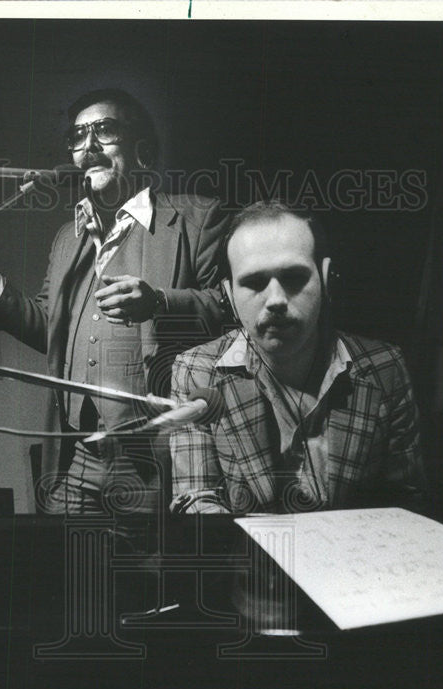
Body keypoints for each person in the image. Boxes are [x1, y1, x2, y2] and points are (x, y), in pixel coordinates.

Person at [0, 88, 227, 514]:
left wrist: (159, 302)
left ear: (143, 152)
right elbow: (52, 329)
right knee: (70, 573)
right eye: (79, 136)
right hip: (78, 460)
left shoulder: (198, 218)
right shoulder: (69, 237)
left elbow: (232, 311)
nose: (89, 146)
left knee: (150, 578)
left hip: (159, 459)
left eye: (105, 130)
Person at [170, 201, 426, 514]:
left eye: (293, 278)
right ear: (231, 298)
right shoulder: (196, 372)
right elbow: (196, 497)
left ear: (327, 279)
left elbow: (404, 503)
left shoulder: (385, 368)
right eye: (254, 282)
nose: (276, 300)